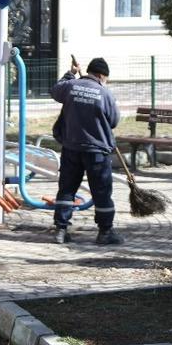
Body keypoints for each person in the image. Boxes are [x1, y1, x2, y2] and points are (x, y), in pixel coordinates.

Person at [50, 57, 123, 245]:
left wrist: (71, 73)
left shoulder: (70, 86)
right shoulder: (105, 94)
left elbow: (56, 90)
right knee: (101, 191)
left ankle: (60, 230)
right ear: (100, 75)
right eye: (105, 78)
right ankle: (105, 233)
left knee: (66, 189)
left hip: (71, 147)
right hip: (97, 150)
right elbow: (113, 121)